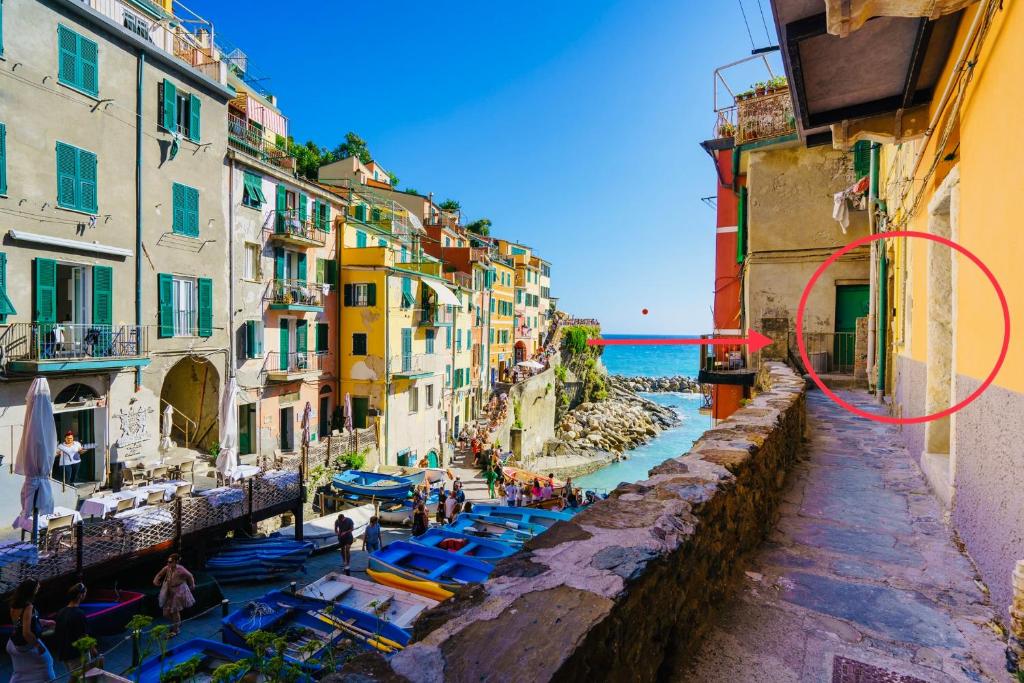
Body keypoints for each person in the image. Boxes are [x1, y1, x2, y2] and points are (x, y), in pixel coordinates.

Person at [6, 579, 56, 682]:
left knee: (20, 671)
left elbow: (20, 624)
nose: (39, 588)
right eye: (37, 587)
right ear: (31, 590)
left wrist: (44, 622)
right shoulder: (28, 607)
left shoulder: (14, 604)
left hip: (12, 643)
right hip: (25, 645)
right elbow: (26, 633)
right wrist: (38, 646)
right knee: (47, 664)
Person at [54, 583, 102, 677]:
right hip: (77, 655)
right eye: (85, 593)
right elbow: (83, 636)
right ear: (80, 595)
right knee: (83, 677)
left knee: (74, 677)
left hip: (65, 654)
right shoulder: (79, 614)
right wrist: (93, 650)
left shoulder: (61, 612)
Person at [153, 554, 195, 637]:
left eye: (170, 562)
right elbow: (159, 574)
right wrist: (155, 580)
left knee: (175, 611)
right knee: (166, 613)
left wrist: (192, 585)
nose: (168, 563)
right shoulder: (167, 568)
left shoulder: (181, 569)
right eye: (168, 561)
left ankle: (176, 630)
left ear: (176, 562)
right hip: (169, 591)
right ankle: (177, 623)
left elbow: (190, 576)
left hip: (178, 592)